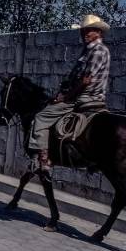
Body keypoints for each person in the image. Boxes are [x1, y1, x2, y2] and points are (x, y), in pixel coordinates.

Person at [28, 14, 111, 175]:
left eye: (90, 31)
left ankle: (43, 160)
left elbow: (86, 80)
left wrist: (65, 97)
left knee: (41, 117)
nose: (85, 34)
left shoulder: (97, 50)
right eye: (83, 31)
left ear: (99, 33)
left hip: (85, 98)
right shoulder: (89, 50)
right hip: (85, 95)